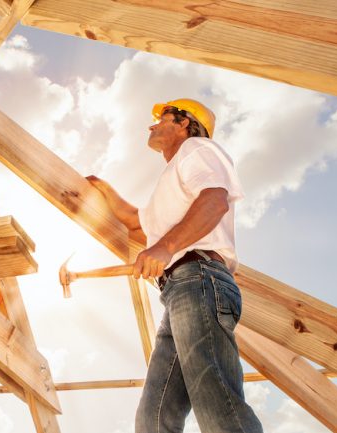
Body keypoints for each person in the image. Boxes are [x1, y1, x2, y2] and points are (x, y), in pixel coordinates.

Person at [87, 99, 263, 433]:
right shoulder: (171, 181)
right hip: (180, 290)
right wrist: (102, 189)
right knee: (154, 418)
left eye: (161, 118)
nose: (152, 125)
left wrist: (166, 247)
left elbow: (214, 200)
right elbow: (136, 225)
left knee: (217, 402)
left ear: (184, 123)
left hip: (199, 279)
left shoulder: (198, 148)